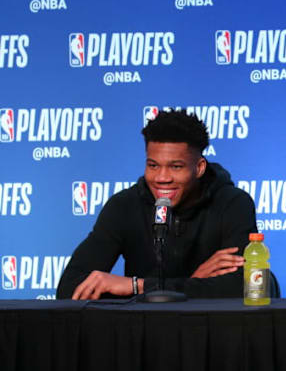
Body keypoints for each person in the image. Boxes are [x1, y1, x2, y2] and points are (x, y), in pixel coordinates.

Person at [57, 110, 257, 300]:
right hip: (144, 330)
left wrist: (138, 286)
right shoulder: (124, 206)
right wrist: (194, 283)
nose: (162, 178)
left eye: (175, 167)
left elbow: (248, 287)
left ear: (199, 168)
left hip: (212, 330)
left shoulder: (233, 204)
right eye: (153, 165)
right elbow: (70, 288)